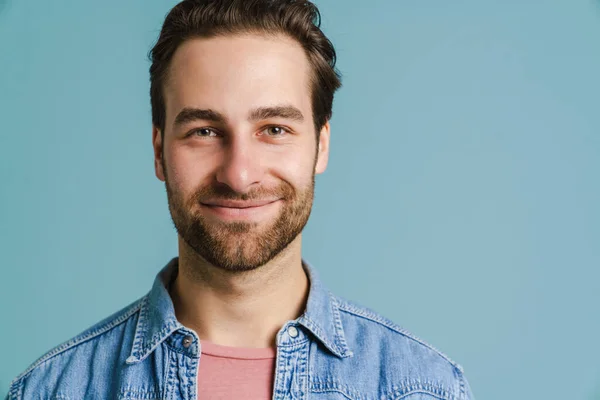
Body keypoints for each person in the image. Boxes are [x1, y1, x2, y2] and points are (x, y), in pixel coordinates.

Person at [6, 1, 475, 399]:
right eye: (204, 131)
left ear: (321, 145)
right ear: (158, 151)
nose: (239, 174)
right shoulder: (51, 389)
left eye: (274, 129)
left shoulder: (422, 387)